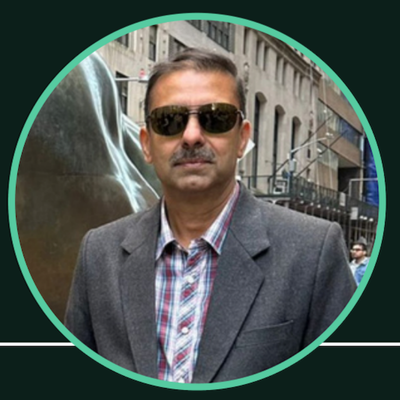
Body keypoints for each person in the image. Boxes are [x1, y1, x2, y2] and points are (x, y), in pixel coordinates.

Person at [64, 48, 356, 384]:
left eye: (215, 118)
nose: (191, 136)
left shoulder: (313, 252)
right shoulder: (98, 253)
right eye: (170, 120)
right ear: (146, 143)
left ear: (242, 138)